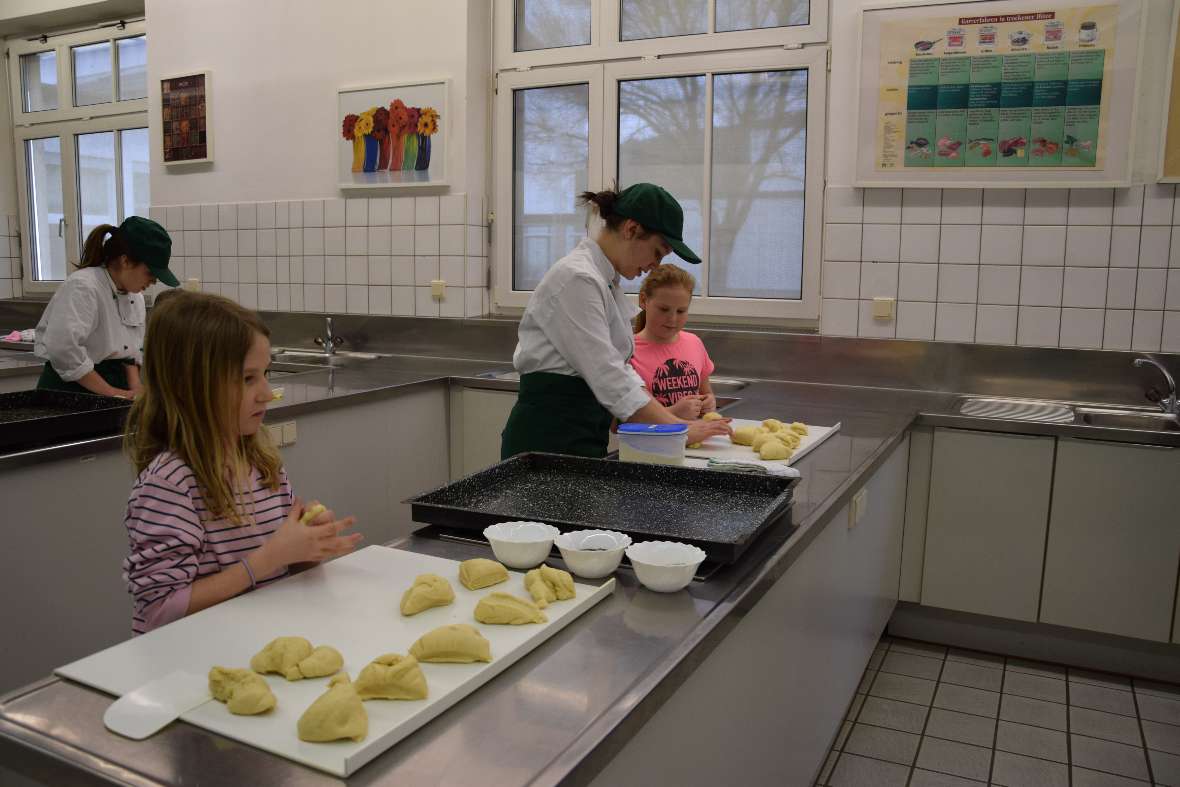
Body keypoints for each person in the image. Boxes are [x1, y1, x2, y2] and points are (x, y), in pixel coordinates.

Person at [121, 293, 361, 634]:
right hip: (191, 668)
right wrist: (269, 558)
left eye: (266, 373)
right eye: (248, 379)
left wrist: (307, 546)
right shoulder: (170, 485)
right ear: (192, 386)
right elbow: (160, 612)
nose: (267, 392)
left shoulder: (261, 465)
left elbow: (280, 567)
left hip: (253, 645)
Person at [501, 183, 731, 459]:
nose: (654, 266)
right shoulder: (577, 278)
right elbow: (607, 374)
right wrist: (677, 428)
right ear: (631, 230)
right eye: (657, 252)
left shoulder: (604, 282)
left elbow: (620, 368)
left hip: (582, 435)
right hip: (548, 438)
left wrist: (671, 423)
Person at [35, 216, 178, 398]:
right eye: (150, 273)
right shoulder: (84, 286)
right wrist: (111, 393)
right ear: (125, 261)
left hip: (112, 387)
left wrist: (135, 391)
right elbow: (63, 349)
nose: (153, 281)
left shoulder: (136, 296)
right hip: (70, 391)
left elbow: (131, 352)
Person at [629, 264, 717, 421]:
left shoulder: (694, 343)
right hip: (647, 444)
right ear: (643, 300)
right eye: (663, 309)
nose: (672, 319)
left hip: (691, 441)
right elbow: (622, 420)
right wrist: (673, 412)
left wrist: (709, 403)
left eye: (681, 311)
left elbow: (706, 393)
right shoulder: (629, 351)